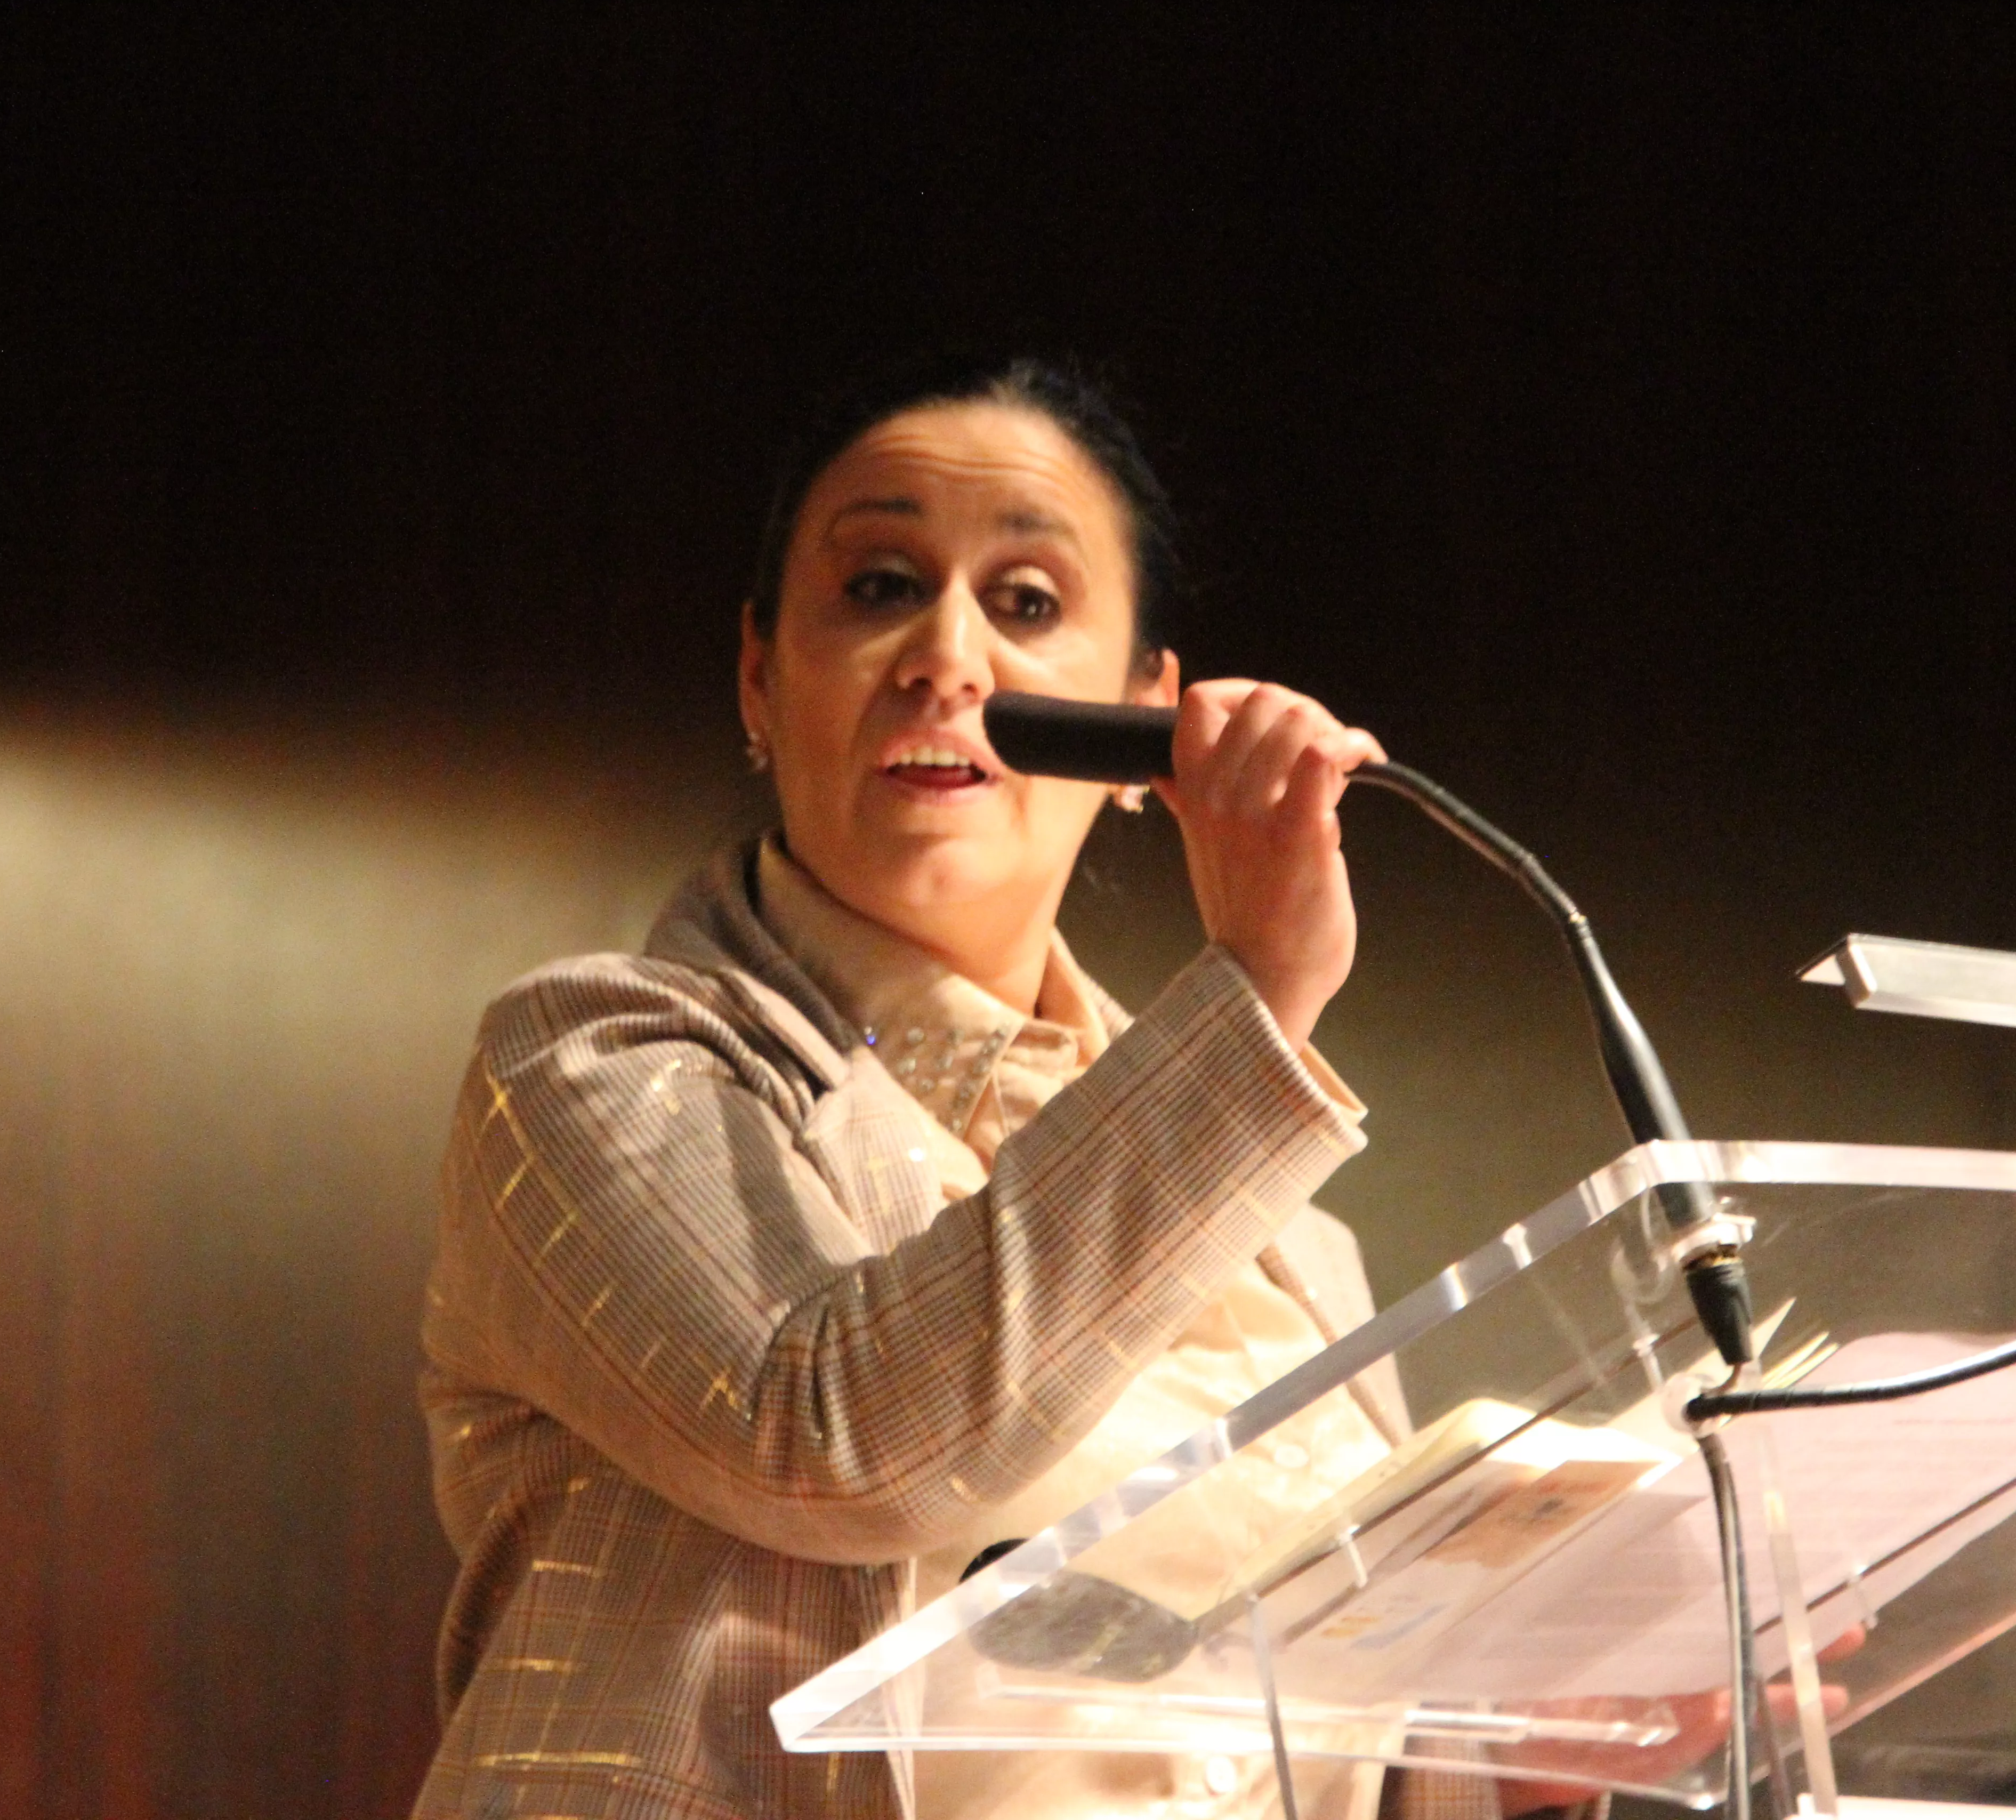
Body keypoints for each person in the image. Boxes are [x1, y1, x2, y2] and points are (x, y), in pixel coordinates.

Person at [412, 356, 1599, 1820]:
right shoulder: (591, 1060)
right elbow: (836, 1439)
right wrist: (1263, 990)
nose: (948, 658)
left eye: (1027, 603)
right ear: (759, 680)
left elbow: (1303, 1729)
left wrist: (1521, 1758)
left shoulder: (1292, 1243)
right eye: (879, 587)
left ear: (1147, 721)